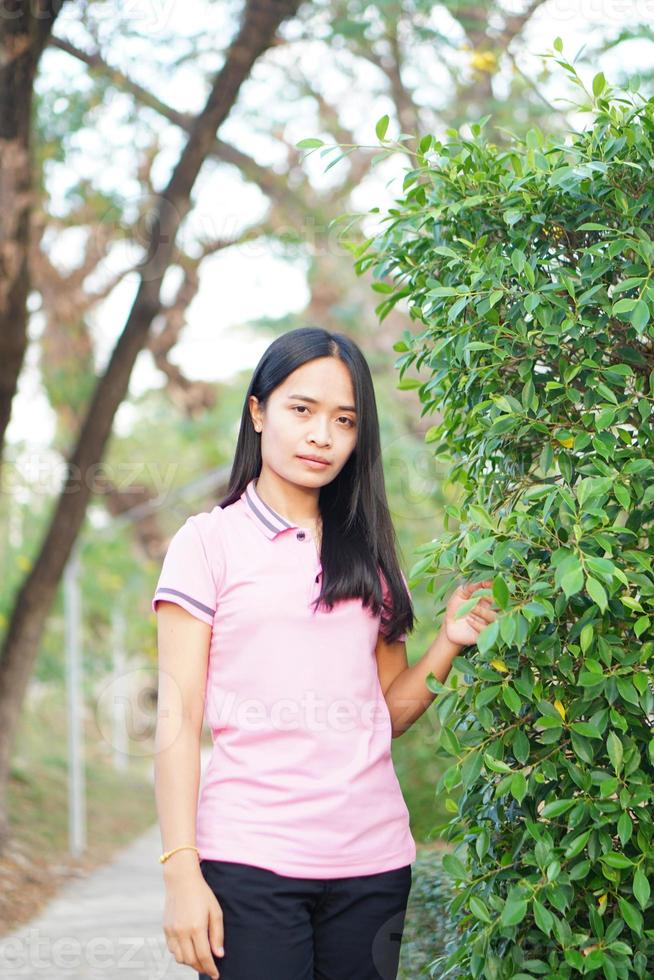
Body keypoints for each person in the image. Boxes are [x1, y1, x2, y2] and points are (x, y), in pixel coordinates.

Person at [152, 326, 497, 980]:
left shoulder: (366, 553)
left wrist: (448, 643)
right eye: (301, 410)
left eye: (344, 420)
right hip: (249, 862)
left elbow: (385, 713)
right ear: (257, 411)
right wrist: (181, 871)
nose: (321, 436)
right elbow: (176, 721)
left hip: (373, 866)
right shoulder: (207, 544)